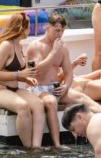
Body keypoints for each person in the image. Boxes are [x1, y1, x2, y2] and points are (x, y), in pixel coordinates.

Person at [0, 12, 43, 148]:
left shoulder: (19, 46)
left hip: (13, 90)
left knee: (38, 104)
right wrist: (19, 75)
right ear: (21, 27)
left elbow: (18, 73)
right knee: (23, 106)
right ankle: (28, 149)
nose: (30, 29)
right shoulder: (6, 45)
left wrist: (26, 79)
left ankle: (36, 147)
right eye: (28, 26)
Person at [25, 13, 73, 148]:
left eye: (62, 31)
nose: (60, 34)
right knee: (51, 102)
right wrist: (54, 52)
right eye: (57, 30)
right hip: (37, 88)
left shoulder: (63, 48)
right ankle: (57, 144)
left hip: (55, 88)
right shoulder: (36, 45)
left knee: (82, 97)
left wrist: (66, 86)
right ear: (47, 27)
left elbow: (69, 73)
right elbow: (37, 71)